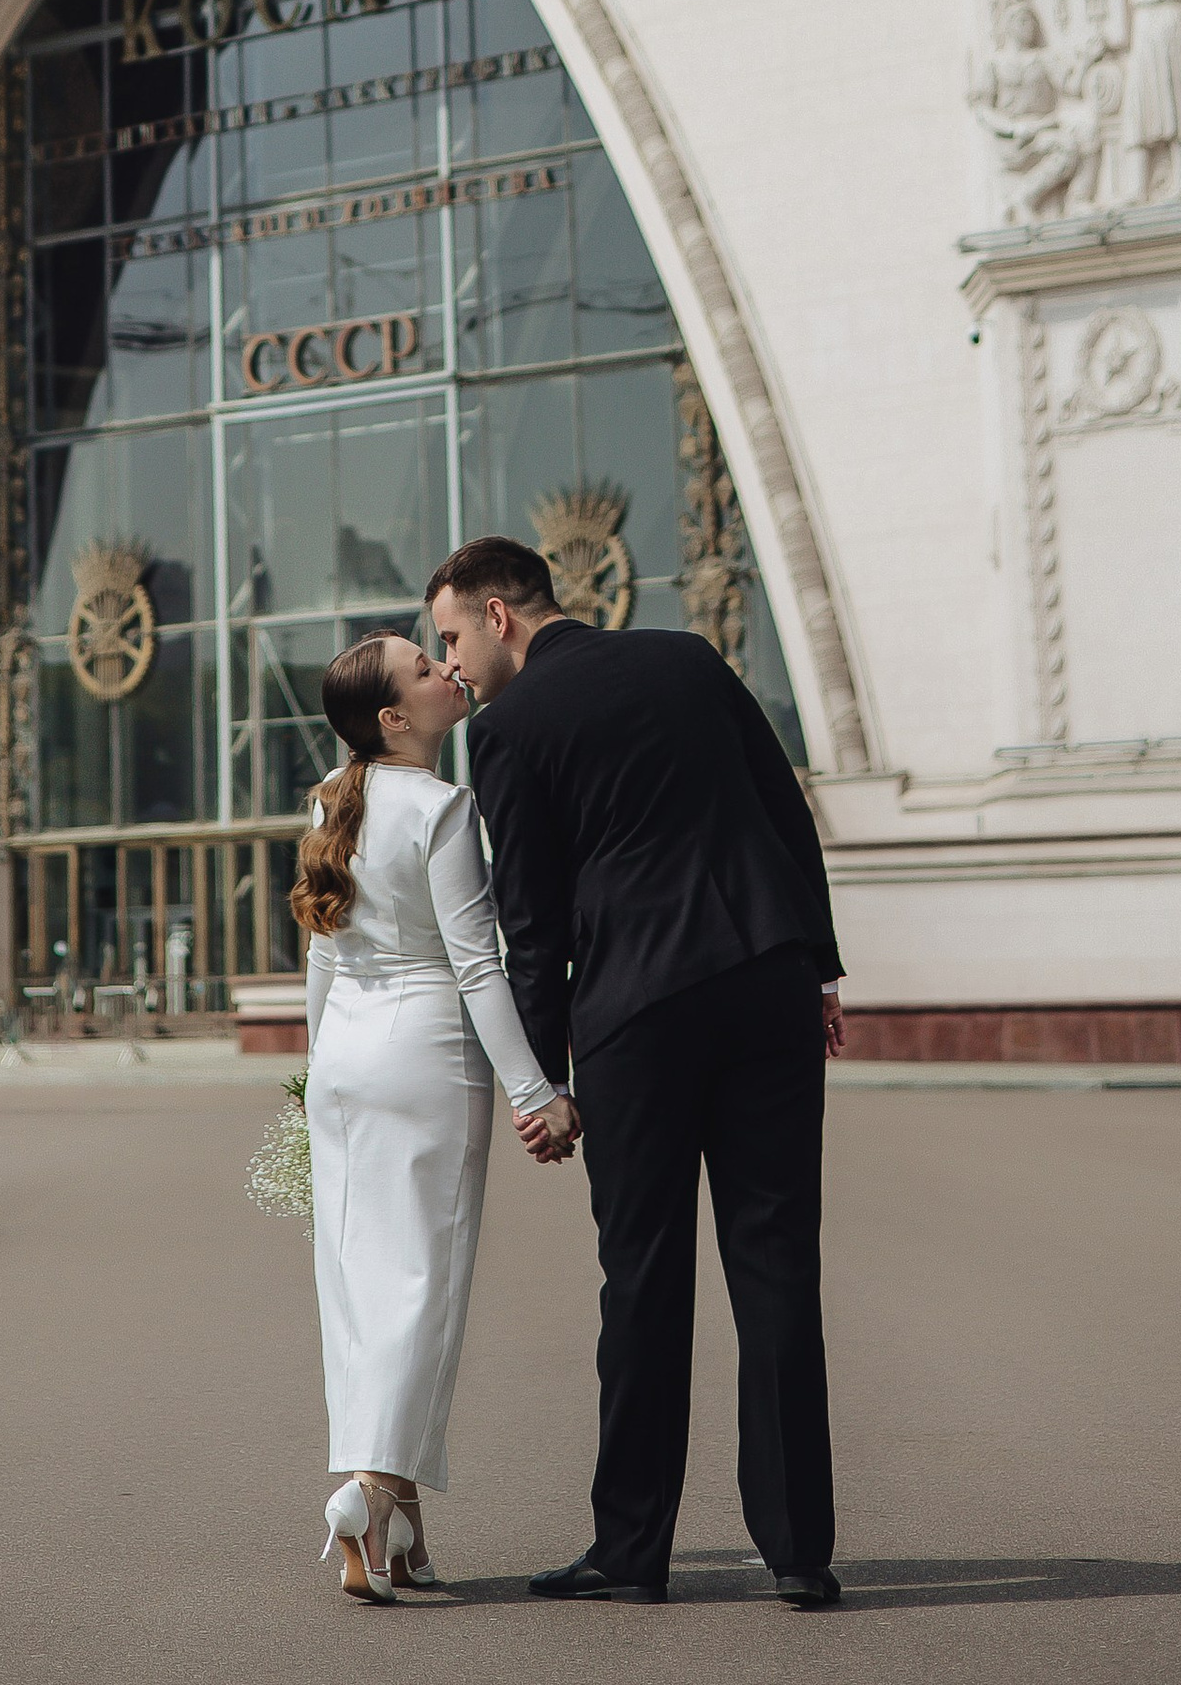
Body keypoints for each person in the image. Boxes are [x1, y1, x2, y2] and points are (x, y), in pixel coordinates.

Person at [427, 534, 847, 1613]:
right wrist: (818, 967)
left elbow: (531, 922)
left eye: (452, 637)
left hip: (637, 1015)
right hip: (765, 984)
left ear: (498, 614)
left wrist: (541, 1084)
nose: (453, 665)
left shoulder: (509, 728)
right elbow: (784, 810)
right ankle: (798, 1551)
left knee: (645, 1280)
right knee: (777, 1265)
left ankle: (632, 1549)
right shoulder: (688, 657)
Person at [295, 628, 578, 1602]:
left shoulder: (329, 800)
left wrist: (312, 1076)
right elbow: (475, 967)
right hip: (425, 1057)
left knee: (358, 1286)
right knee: (422, 1285)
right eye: (424, 669)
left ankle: (401, 1523)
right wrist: (536, 1090)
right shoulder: (443, 807)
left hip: (343, 1062)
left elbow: (321, 956)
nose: (446, 670)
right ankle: (371, 1494)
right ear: (393, 717)